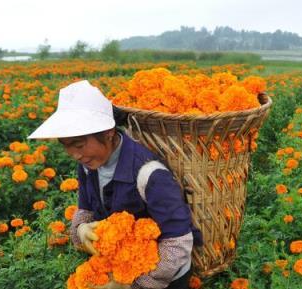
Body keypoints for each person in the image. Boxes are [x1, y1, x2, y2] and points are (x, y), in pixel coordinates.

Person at [28, 80, 202, 289]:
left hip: (163, 275)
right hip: (119, 265)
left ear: (108, 133)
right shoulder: (88, 165)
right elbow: (85, 209)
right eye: (67, 146)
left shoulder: (151, 176)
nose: (74, 154)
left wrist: (131, 285)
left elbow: (178, 244)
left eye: (79, 144)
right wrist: (81, 229)